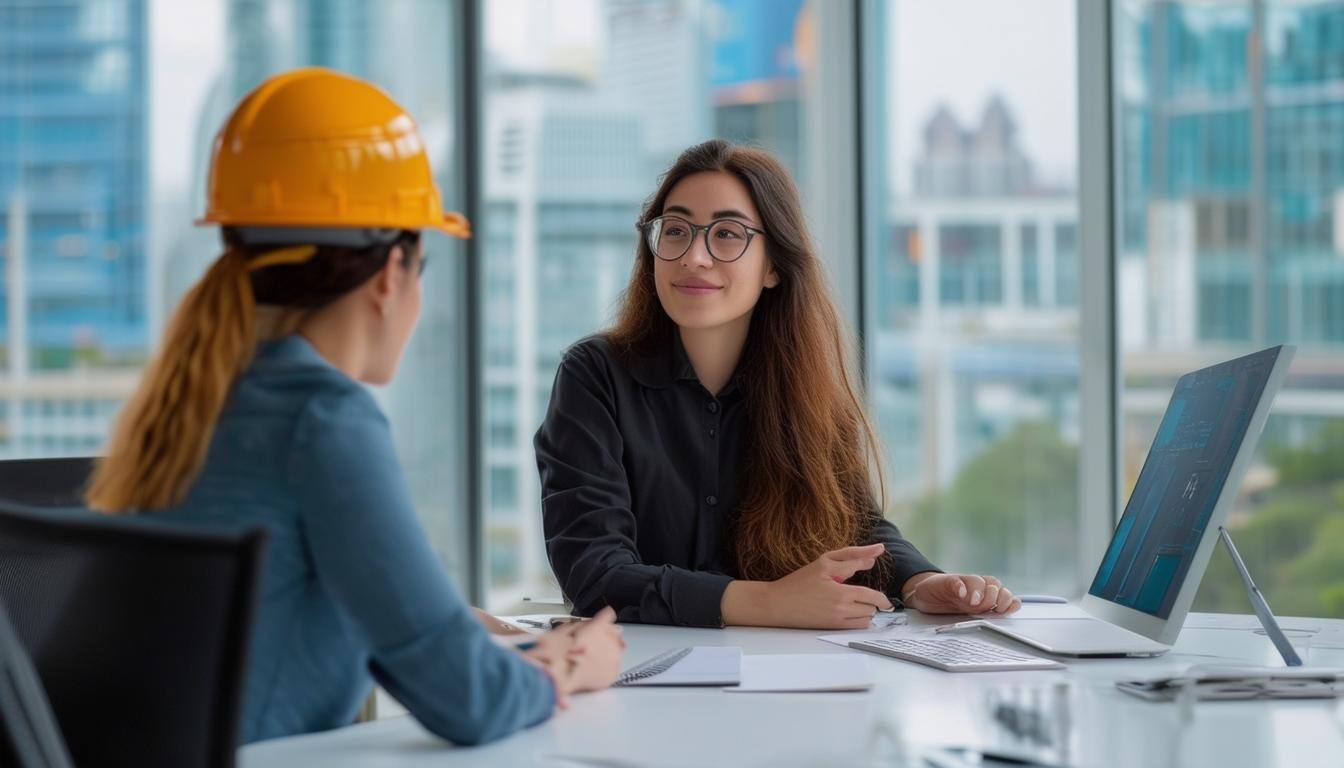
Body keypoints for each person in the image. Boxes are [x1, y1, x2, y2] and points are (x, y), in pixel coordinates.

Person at [86, 67, 623, 745]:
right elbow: (469, 702)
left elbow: (311, 610)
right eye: (422, 268)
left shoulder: (204, 397)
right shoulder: (322, 418)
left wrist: (447, 625)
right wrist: (567, 669)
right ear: (391, 272)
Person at [535, 139, 1021, 630]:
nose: (694, 257)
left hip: (782, 674)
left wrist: (920, 584)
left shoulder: (804, 387)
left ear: (773, 266)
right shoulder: (594, 375)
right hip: (635, 679)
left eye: (727, 234)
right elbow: (593, 572)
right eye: (676, 230)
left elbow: (856, 524)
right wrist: (767, 602)